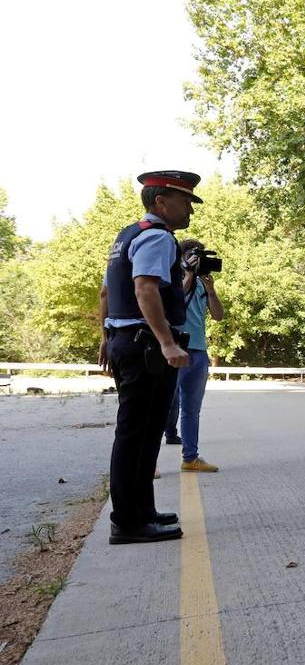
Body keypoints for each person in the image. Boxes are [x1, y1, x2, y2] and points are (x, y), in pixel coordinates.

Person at [97, 171, 201, 544]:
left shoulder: (127, 235)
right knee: (136, 434)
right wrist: (167, 343)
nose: (189, 209)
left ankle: (142, 512)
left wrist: (107, 336)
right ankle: (128, 522)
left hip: (128, 339)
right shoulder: (157, 237)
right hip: (145, 345)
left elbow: (107, 292)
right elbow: (145, 289)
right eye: (184, 201)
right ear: (161, 202)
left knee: (144, 433)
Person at [164, 239, 224, 472]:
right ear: (182, 257)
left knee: (192, 410)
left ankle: (190, 458)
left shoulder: (201, 284)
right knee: (164, 406)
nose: (198, 260)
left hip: (199, 351)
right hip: (177, 349)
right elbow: (176, 301)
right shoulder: (172, 279)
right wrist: (187, 272)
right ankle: (148, 462)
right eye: (193, 255)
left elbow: (218, 315)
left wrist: (211, 290)